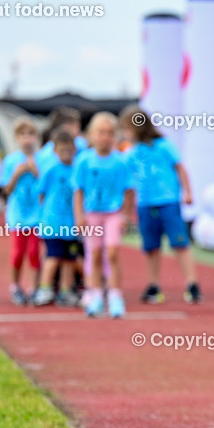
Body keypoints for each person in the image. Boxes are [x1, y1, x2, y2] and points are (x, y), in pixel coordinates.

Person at [120, 105, 201, 305]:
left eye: (127, 128)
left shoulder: (164, 145)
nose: (125, 134)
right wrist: (127, 210)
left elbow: (180, 168)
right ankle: (154, 284)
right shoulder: (131, 153)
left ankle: (192, 283)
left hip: (168, 201)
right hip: (145, 204)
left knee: (179, 242)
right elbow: (128, 185)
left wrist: (188, 192)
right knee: (150, 247)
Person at [73, 112, 134, 318]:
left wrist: (126, 215)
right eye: (101, 133)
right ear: (91, 135)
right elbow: (78, 190)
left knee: (112, 251)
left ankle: (115, 295)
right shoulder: (84, 160)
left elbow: (128, 190)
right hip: (92, 214)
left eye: (110, 133)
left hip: (113, 213)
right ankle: (96, 293)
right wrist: (79, 215)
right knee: (95, 253)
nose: (105, 137)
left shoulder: (120, 162)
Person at [31, 130, 81, 307]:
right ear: (55, 151)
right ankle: (45, 288)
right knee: (53, 255)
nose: (66, 154)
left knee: (69, 258)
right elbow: (41, 193)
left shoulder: (77, 169)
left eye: (69, 150)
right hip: (52, 222)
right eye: (62, 150)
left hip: (71, 222)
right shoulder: (51, 169)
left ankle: (66, 291)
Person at [1, 118, 42, 305]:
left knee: (34, 253)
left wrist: (35, 171)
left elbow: (46, 188)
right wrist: (17, 174)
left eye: (31, 134)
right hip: (17, 215)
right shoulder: (11, 160)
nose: (27, 139)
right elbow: (6, 190)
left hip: (36, 216)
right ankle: (16, 286)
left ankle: (34, 288)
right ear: (17, 138)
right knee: (18, 253)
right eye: (23, 135)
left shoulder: (41, 159)